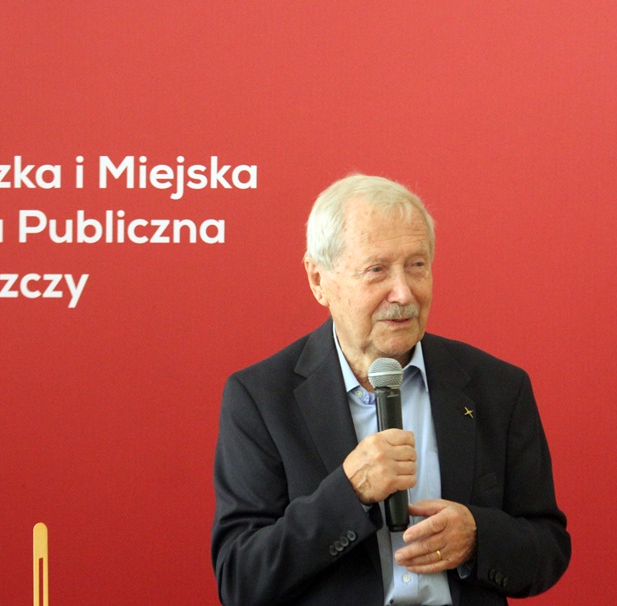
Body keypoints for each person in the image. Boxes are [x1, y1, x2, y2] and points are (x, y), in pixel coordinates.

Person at [211, 175, 570, 605]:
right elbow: (241, 579)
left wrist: (477, 539)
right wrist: (348, 493)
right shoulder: (261, 399)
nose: (403, 292)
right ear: (319, 279)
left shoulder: (498, 387)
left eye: (416, 265)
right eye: (377, 269)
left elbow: (548, 548)